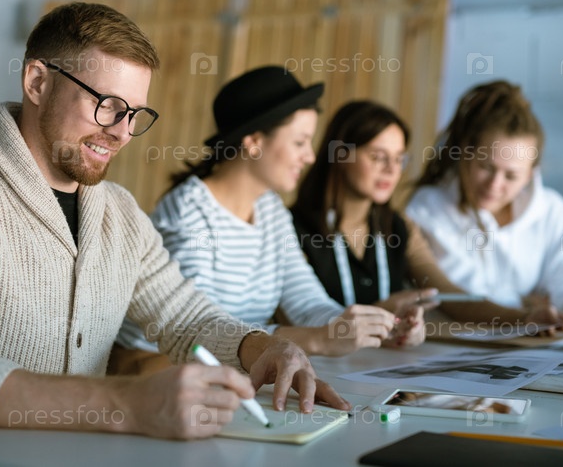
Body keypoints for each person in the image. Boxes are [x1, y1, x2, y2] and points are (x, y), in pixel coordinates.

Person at [0, 3, 348, 467]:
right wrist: (127, 403)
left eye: (135, 113)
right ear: (37, 82)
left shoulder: (119, 210)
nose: (122, 132)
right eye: (107, 106)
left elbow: (185, 317)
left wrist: (264, 348)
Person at [115, 67, 419, 360]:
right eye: (299, 142)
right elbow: (202, 333)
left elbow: (307, 303)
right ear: (254, 142)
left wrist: (375, 326)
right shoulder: (188, 213)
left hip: (237, 370)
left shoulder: (270, 210)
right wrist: (318, 339)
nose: (310, 156)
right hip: (157, 371)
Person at [405, 80, 563, 327]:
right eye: (486, 167)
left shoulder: (551, 211)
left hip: (526, 338)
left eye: (511, 176)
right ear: (465, 155)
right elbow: (461, 297)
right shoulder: (428, 208)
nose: (494, 185)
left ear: (530, 175)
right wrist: (528, 307)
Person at [290, 100, 529, 338]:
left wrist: (525, 318)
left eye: (399, 159)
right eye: (378, 157)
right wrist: (380, 313)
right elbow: (296, 319)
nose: (391, 169)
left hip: (383, 359)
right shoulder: (292, 228)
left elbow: (447, 295)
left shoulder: (399, 226)